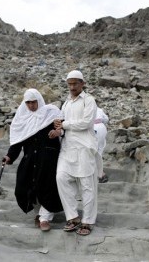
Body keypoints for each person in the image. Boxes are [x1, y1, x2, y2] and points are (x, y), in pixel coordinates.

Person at [2, 88, 64, 232]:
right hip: (30, 160)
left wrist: (58, 132)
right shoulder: (21, 118)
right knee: (24, 188)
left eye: (34, 102)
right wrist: (9, 156)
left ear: (39, 100)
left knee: (48, 187)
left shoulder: (51, 112)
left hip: (49, 160)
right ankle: (39, 214)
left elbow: (63, 128)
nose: (31, 105)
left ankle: (44, 218)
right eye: (28, 102)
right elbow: (17, 142)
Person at [54, 70, 101, 236]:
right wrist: (57, 129)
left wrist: (64, 124)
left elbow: (86, 123)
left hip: (84, 147)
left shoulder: (89, 101)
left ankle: (87, 221)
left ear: (82, 83)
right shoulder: (66, 103)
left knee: (87, 186)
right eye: (70, 84)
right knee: (61, 177)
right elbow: (61, 124)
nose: (72, 87)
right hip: (67, 147)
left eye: (75, 83)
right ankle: (72, 217)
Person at [94, 107, 109, 183]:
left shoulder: (84, 108)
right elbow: (106, 119)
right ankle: (101, 173)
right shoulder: (99, 109)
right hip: (101, 128)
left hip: (92, 128)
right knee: (99, 150)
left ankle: (99, 174)